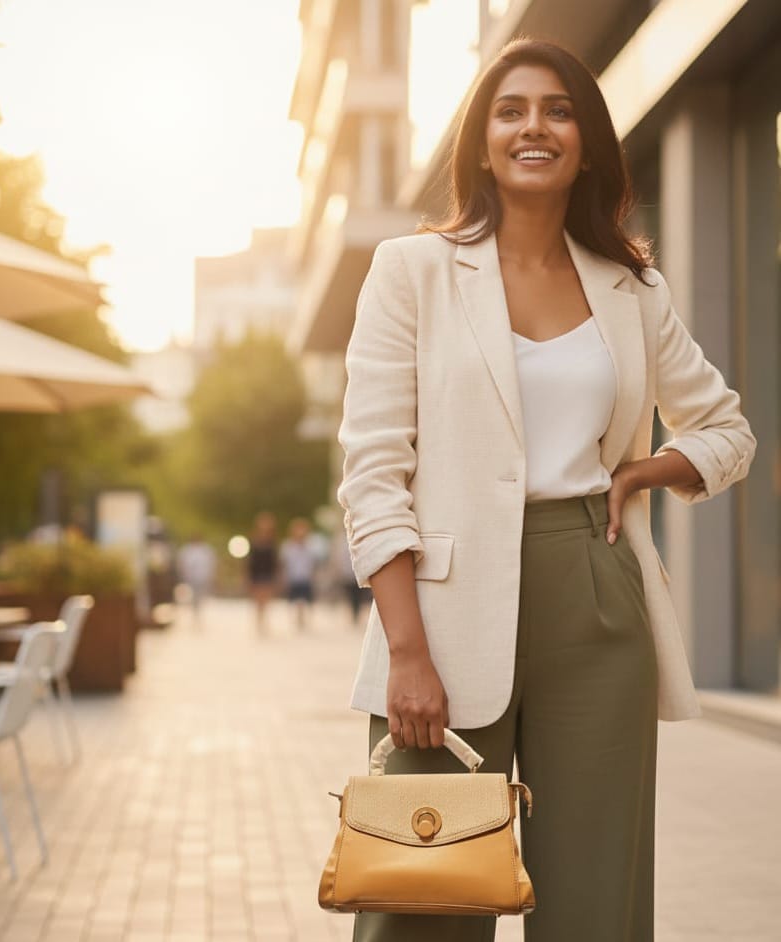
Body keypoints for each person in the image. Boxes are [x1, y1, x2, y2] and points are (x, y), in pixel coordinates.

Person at [338, 39, 755, 942]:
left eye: (559, 110)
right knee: (423, 898)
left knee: (597, 905)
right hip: (440, 619)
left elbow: (728, 431)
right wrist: (406, 651)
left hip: (597, 593)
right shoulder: (410, 273)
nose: (535, 127)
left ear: (589, 142)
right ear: (481, 140)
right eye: (512, 109)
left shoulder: (632, 289)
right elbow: (372, 473)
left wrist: (649, 468)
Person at [279, 517, 317, 630]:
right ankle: (296, 619)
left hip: (306, 577)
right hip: (293, 577)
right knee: (293, 601)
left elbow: (313, 563)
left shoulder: (310, 546)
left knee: (306, 600)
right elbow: (284, 564)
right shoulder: (287, 546)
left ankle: (303, 619)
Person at [246, 511, 279, 635]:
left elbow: (275, 562)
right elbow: (249, 562)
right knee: (257, 602)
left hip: (268, 574)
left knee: (266, 601)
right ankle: (258, 623)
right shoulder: (254, 542)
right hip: (256, 575)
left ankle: (264, 623)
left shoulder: (272, 542)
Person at [175, 533, 216, 626]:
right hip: (191, 577)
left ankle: (198, 611)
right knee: (194, 596)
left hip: (203, 577)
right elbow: (182, 563)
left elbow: (211, 564)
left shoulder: (206, 550)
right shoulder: (187, 550)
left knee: (200, 596)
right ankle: (195, 613)